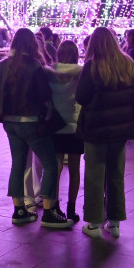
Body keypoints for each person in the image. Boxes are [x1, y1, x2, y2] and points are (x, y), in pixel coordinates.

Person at [0, 28, 74, 229]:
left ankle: (19, 210)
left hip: (9, 123)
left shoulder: (1, 66)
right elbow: (44, 95)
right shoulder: (35, 66)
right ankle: (50, 211)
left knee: (18, 164)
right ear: (32, 45)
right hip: (32, 122)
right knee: (50, 163)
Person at [76, 27, 134, 239]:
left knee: (95, 174)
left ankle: (94, 222)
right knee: (116, 174)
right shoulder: (128, 64)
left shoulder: (92, 67)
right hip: (121, 128)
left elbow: (81, 97)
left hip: (96, 127)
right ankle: (114, 222)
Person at [48, 40, 84, 222]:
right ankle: (71, 208)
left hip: (55, 124)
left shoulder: (51, 70)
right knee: (75, 169)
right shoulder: (80, 72)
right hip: (75, 124)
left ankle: (54, 206)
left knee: (56, 167)